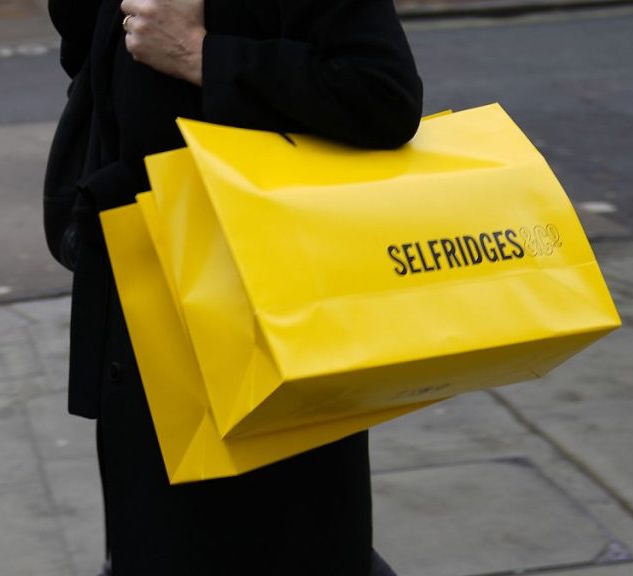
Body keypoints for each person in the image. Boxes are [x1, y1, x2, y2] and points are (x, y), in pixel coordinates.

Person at [45, 0, 423, 573]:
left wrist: (201, 55)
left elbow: (382, 93)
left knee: (275, 544)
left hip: (264, 323)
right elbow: (93, 66)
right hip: (149, 311)